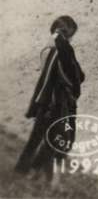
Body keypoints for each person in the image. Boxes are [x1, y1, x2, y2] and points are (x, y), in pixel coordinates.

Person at [16, 16, 84, 183]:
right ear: (62, 35)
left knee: (37, 136)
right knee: (51, 137)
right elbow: (76, 76)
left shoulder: (51, 49)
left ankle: (23, 170)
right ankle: (32, 170)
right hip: (55, 101)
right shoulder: (59, 52)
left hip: (46, 99)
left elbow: (45, 78)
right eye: (69, 36)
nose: (71, 40)